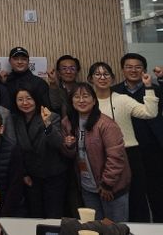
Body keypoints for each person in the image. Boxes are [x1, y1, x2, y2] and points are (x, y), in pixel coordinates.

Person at [89, 61, 158, 222]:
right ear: (90, 79)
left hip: (129, 154)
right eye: (97, 74)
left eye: (106, 74)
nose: (102, 78)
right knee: (107, 202)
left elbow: (150, 112)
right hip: (100, 157)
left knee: (136, 200)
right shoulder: (87, 102)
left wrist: (148, 87)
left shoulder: (123, 99)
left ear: (113, 78)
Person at [61, 83, 131, 222]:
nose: (81, 100)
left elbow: (116, 157)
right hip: (87, 186)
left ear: (94, 101)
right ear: (71, 101)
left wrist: (107, 184)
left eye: (86, 96)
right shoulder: (67, 122)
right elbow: (69, 155)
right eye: (77, 97)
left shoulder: (106, 124)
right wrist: (69, 146)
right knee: (93, 226)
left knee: (114, 227)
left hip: (111, 187)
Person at [112, 53, 163, 222]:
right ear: (122, 69)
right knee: (134, 193)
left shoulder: (155, 88)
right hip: (128, 150)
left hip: (153, 147)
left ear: (144, 70)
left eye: (138, 67)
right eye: (129, 67)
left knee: (157, 192)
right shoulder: (114, 92)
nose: (133, 70)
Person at [11, 88, 67, 218]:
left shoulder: (51, 116)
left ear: (36, 99)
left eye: (29, 98)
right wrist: (24, 173)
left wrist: (47, 123)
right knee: (35, 214)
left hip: (52, 175)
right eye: (20, 99)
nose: (25, 103)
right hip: (31, 176)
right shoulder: (15, 120)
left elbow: (58, 143)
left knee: (53, 216)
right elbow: (17, 149)